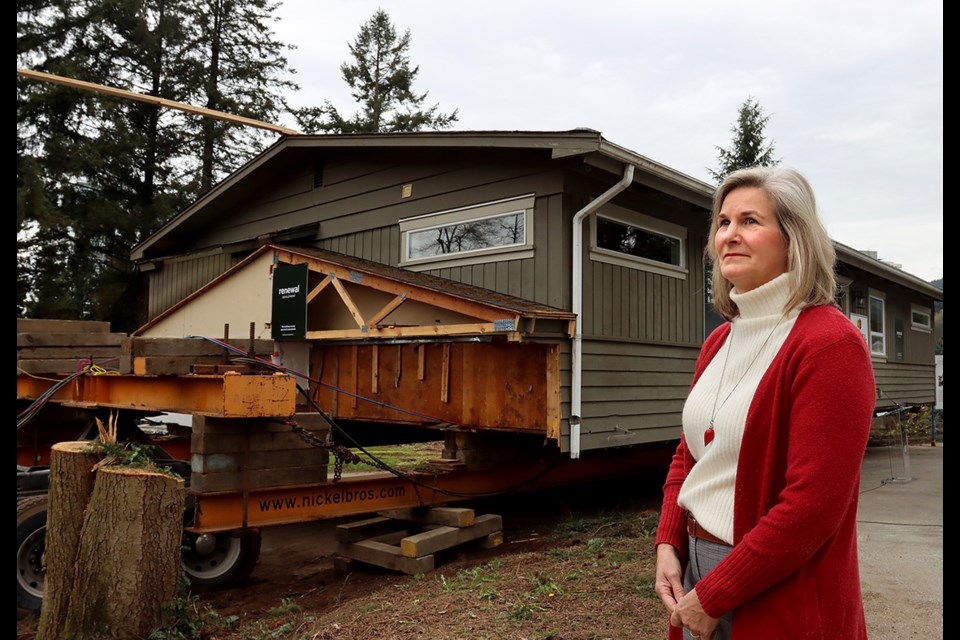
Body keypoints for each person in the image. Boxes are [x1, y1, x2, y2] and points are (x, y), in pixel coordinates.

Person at [653, 166, 876, 640]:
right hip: (694, 567)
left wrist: (717, 594)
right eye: (723, 222)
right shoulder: (720, 340)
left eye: (750, 221)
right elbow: (689, 456)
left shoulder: (830, 344)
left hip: (773, 582)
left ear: (793, 239)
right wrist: (668, 542)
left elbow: (812, 506)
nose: (730, 235)